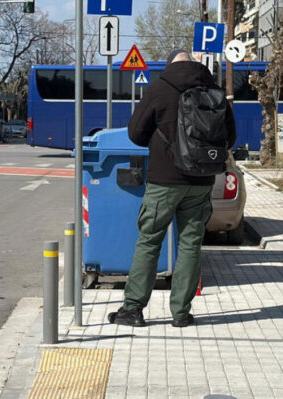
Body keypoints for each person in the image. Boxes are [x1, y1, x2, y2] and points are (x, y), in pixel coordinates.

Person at [108, 50, 236, 328]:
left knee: (149, 241)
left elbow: (135, 133)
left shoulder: (159, 88)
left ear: (170, 65)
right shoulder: (214, 90)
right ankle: (181, 313)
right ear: (194, 63)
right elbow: (231, 137)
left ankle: (133, 309)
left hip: (164, 182)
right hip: (201, 182)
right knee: (190, 245)